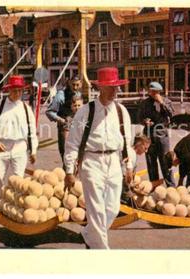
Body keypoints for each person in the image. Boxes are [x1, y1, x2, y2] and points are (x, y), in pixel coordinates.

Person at [64, 67, 134, 249]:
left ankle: (88, 234)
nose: (114, 91)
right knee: (96, 210)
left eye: (116, 87)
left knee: (112, 208)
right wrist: (69, 170)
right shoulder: (85, 111)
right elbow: (72, 142)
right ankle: (101, 252)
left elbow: (127, 141)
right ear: (100, 88)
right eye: (110, 87)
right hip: (91, 162)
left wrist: (129, 166)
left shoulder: (121, 111)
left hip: (114, 162)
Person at [0, 75, 38, 204]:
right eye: (15, 90)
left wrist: (33, 150)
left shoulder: (26, 109)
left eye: (20, 91)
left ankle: (16, 204)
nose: (18, 93)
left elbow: (32, 131)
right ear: (9, 90)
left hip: (20, 146)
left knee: (18, 178)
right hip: (2, 146)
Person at [138, 81, 175, 186]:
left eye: (155, 92)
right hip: (148, 136)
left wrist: (162, 103)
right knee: (151, 163)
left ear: (159, 92)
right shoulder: (144, 103)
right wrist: (144, 121)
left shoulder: (167, 101)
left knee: (165, 162)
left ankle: (171, 186)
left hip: (161, 134)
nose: (153, 94)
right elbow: (139, 117)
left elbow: (171, 114)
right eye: (151, 92)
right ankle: (155, 186)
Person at [46, 76, 82, 165]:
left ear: (81, 84)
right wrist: (61, 120)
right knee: (67, 156)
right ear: (69, 83)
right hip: (65, 127)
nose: (75, 87)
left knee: (78, 156)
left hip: (77, 127)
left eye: (77, 85)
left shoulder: (79, 94)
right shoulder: (60, 95)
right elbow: (49, 112)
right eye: (73, 85)